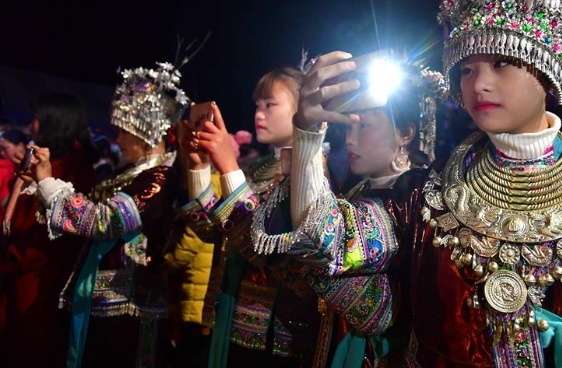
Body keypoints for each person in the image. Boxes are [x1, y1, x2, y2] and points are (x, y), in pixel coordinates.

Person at [219, 0, 562, 366]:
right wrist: (307, 133)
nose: (479, 83)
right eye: (466, 68)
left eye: (502, 62)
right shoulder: (428, 197)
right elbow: (326, 236)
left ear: (548, 74)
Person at [27, 63, 187, 368]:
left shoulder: (159, 178)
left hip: (129, 306)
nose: (118, 141)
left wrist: (49, 184)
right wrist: (41, 187)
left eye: (122, 131)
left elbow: (105, 221)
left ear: (143, 130)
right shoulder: (128, 175)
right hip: (108, 303)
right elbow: (85, 212)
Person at [182, 66, 327, 367]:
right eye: (257, 106)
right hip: (235, 308)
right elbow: (214, 232)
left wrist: (228, 168)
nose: (259, 115)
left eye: (270, 105)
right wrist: (198, 168)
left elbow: (263, 244)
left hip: (275, 327)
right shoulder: (258, 167)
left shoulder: (313, 172)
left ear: (303, 109)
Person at [0, 93, 99, 368]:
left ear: (53, 123)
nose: (31, 126)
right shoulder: (48, 161)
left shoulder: (71, 168)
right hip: (22, 277)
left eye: (36, 119)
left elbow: (48, 233)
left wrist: (12, 258)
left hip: (40, 286)